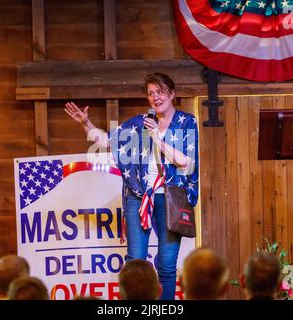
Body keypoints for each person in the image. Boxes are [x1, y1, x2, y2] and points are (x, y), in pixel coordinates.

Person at [64, 72, 199, 300]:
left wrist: (157, 138)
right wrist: (86, 123)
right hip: (139, 196)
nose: (155, 97)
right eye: (151, 93)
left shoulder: (187, 122)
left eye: (160, 92)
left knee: (167, 264)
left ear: (172, 94)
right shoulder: (139, 123)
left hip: (171, 197)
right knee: (135, 261)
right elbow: (106, 141)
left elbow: (186, 161)